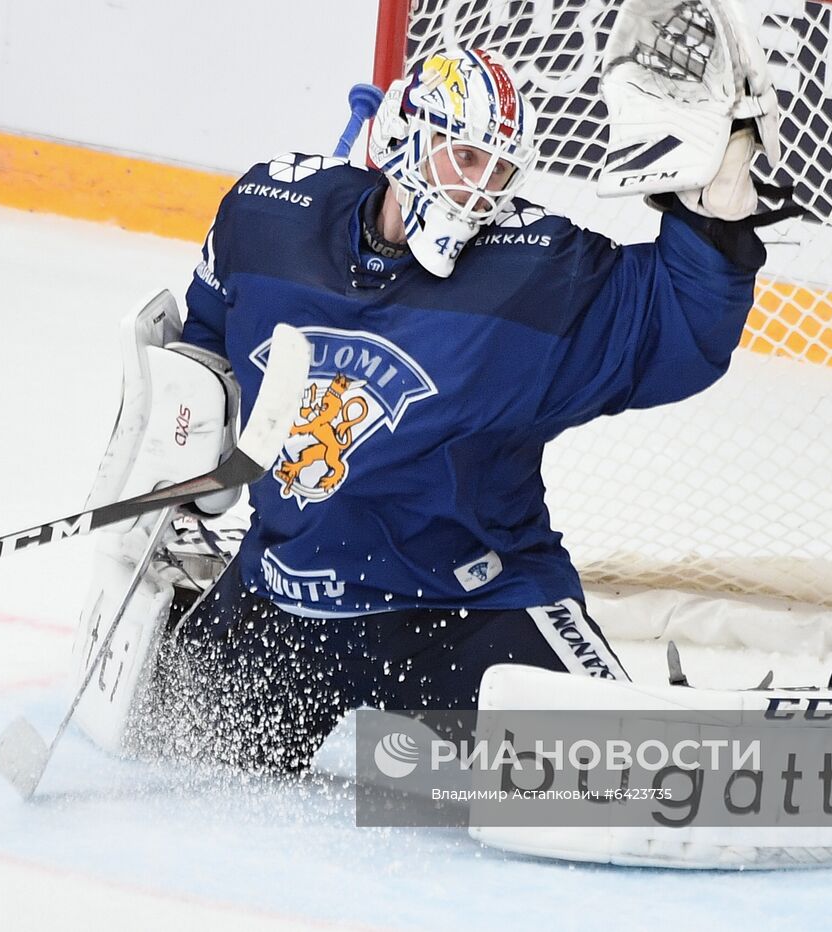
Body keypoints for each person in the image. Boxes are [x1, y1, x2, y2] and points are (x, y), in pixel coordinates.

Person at [136, 43, 779, 774]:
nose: (483, 191)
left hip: (466, 611)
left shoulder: (531, 272)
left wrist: (714, 220)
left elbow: (679, 333)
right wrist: (187, 464)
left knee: (614, 781)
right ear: (406, 136)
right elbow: (206, 342)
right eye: (466, 159)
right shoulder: (269, 219)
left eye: (500, 169)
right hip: (289, 597)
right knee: (170, 750)